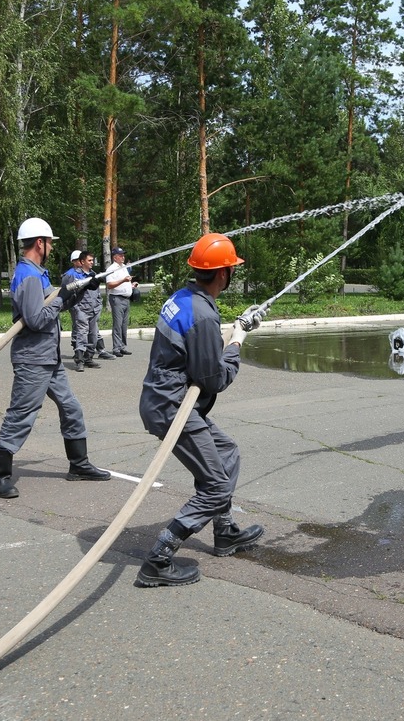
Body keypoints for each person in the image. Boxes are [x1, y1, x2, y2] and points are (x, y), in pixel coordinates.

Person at [134, 232, 269, 588]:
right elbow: (213, 379)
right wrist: (238, 339)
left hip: (166, 400)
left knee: (227, 453)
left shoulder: (183, 299)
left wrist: (236, 327)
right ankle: (158, 559)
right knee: (215, 488)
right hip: (172, 407)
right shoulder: (204, 315)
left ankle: (224, 533)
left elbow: (196, 357)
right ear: (224, 274)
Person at [0, 218, 111, 499]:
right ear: (40, 243)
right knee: (22, 415)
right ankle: (0, 475)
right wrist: (62, 297)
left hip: (49, 358)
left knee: (71, 408)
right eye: (50, 242)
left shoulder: (37, 272)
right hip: (33, 360)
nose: (53, 247)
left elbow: (53, 305)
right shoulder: (28, 276)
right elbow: (35, 319)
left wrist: (79, 291)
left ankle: (79, 465)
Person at [61, 250, 99, 372]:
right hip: (81, 308)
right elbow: (66, 291)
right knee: (81, 334)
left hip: (93, 309)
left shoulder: (94, 274)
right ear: (82, 262)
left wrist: (98, 305)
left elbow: (97, 292)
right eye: (89, 260)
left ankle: (89, 358)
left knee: (93, 336)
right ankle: (79, 360)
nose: (92, 262)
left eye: (92, 260)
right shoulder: (73, 275)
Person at [104, 247, 137, 357]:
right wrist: (123, 280)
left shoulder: (124, 267)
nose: (123, 257)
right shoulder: (111, 269)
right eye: (120, 255)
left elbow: (125, 282)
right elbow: (109, 285)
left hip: (126, 299)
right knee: (117, 324)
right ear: (115, 257)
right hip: (117, 298)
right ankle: (116, 348)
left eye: (123, 255)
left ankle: (122, 346)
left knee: (124, 324)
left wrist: (131, 285)